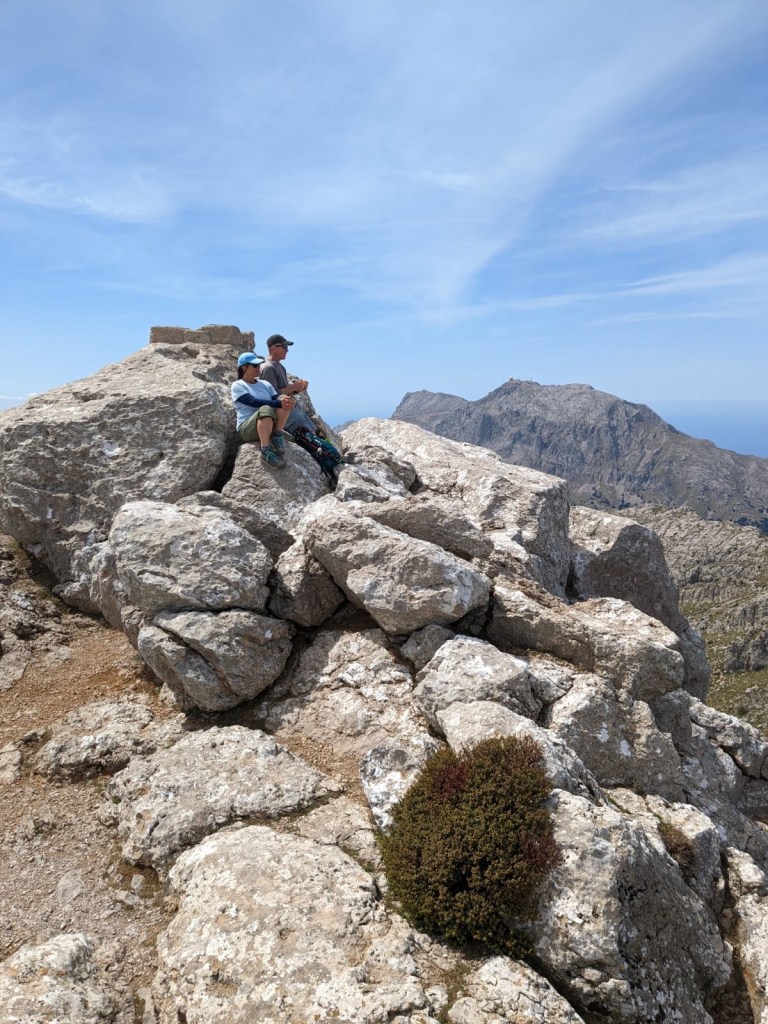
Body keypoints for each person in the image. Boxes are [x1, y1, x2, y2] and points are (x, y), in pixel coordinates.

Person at [231, 352, 295, 468]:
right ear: (245, 367)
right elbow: (253, 402)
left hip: (267, 424)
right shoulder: (238, 385)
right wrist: (278, 403)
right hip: (247, 429)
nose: (259, 368)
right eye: (255, 366)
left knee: (284, 399)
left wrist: (287, 402)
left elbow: (277, 399)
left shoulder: (265, 384)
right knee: (265, 408)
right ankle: (265, 450)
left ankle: (276, 434)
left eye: (259, 365)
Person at [258, 334, 316, 435]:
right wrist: (293, 387)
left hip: (292, 411)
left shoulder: (280, 367)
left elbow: (284, 391)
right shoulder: (268, 368)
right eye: (284, 347)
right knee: (309, 438)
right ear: (273, 348)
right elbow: (273, 396)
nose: (287, 350)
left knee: (316, 435)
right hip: (284, 414)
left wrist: (297, 389)